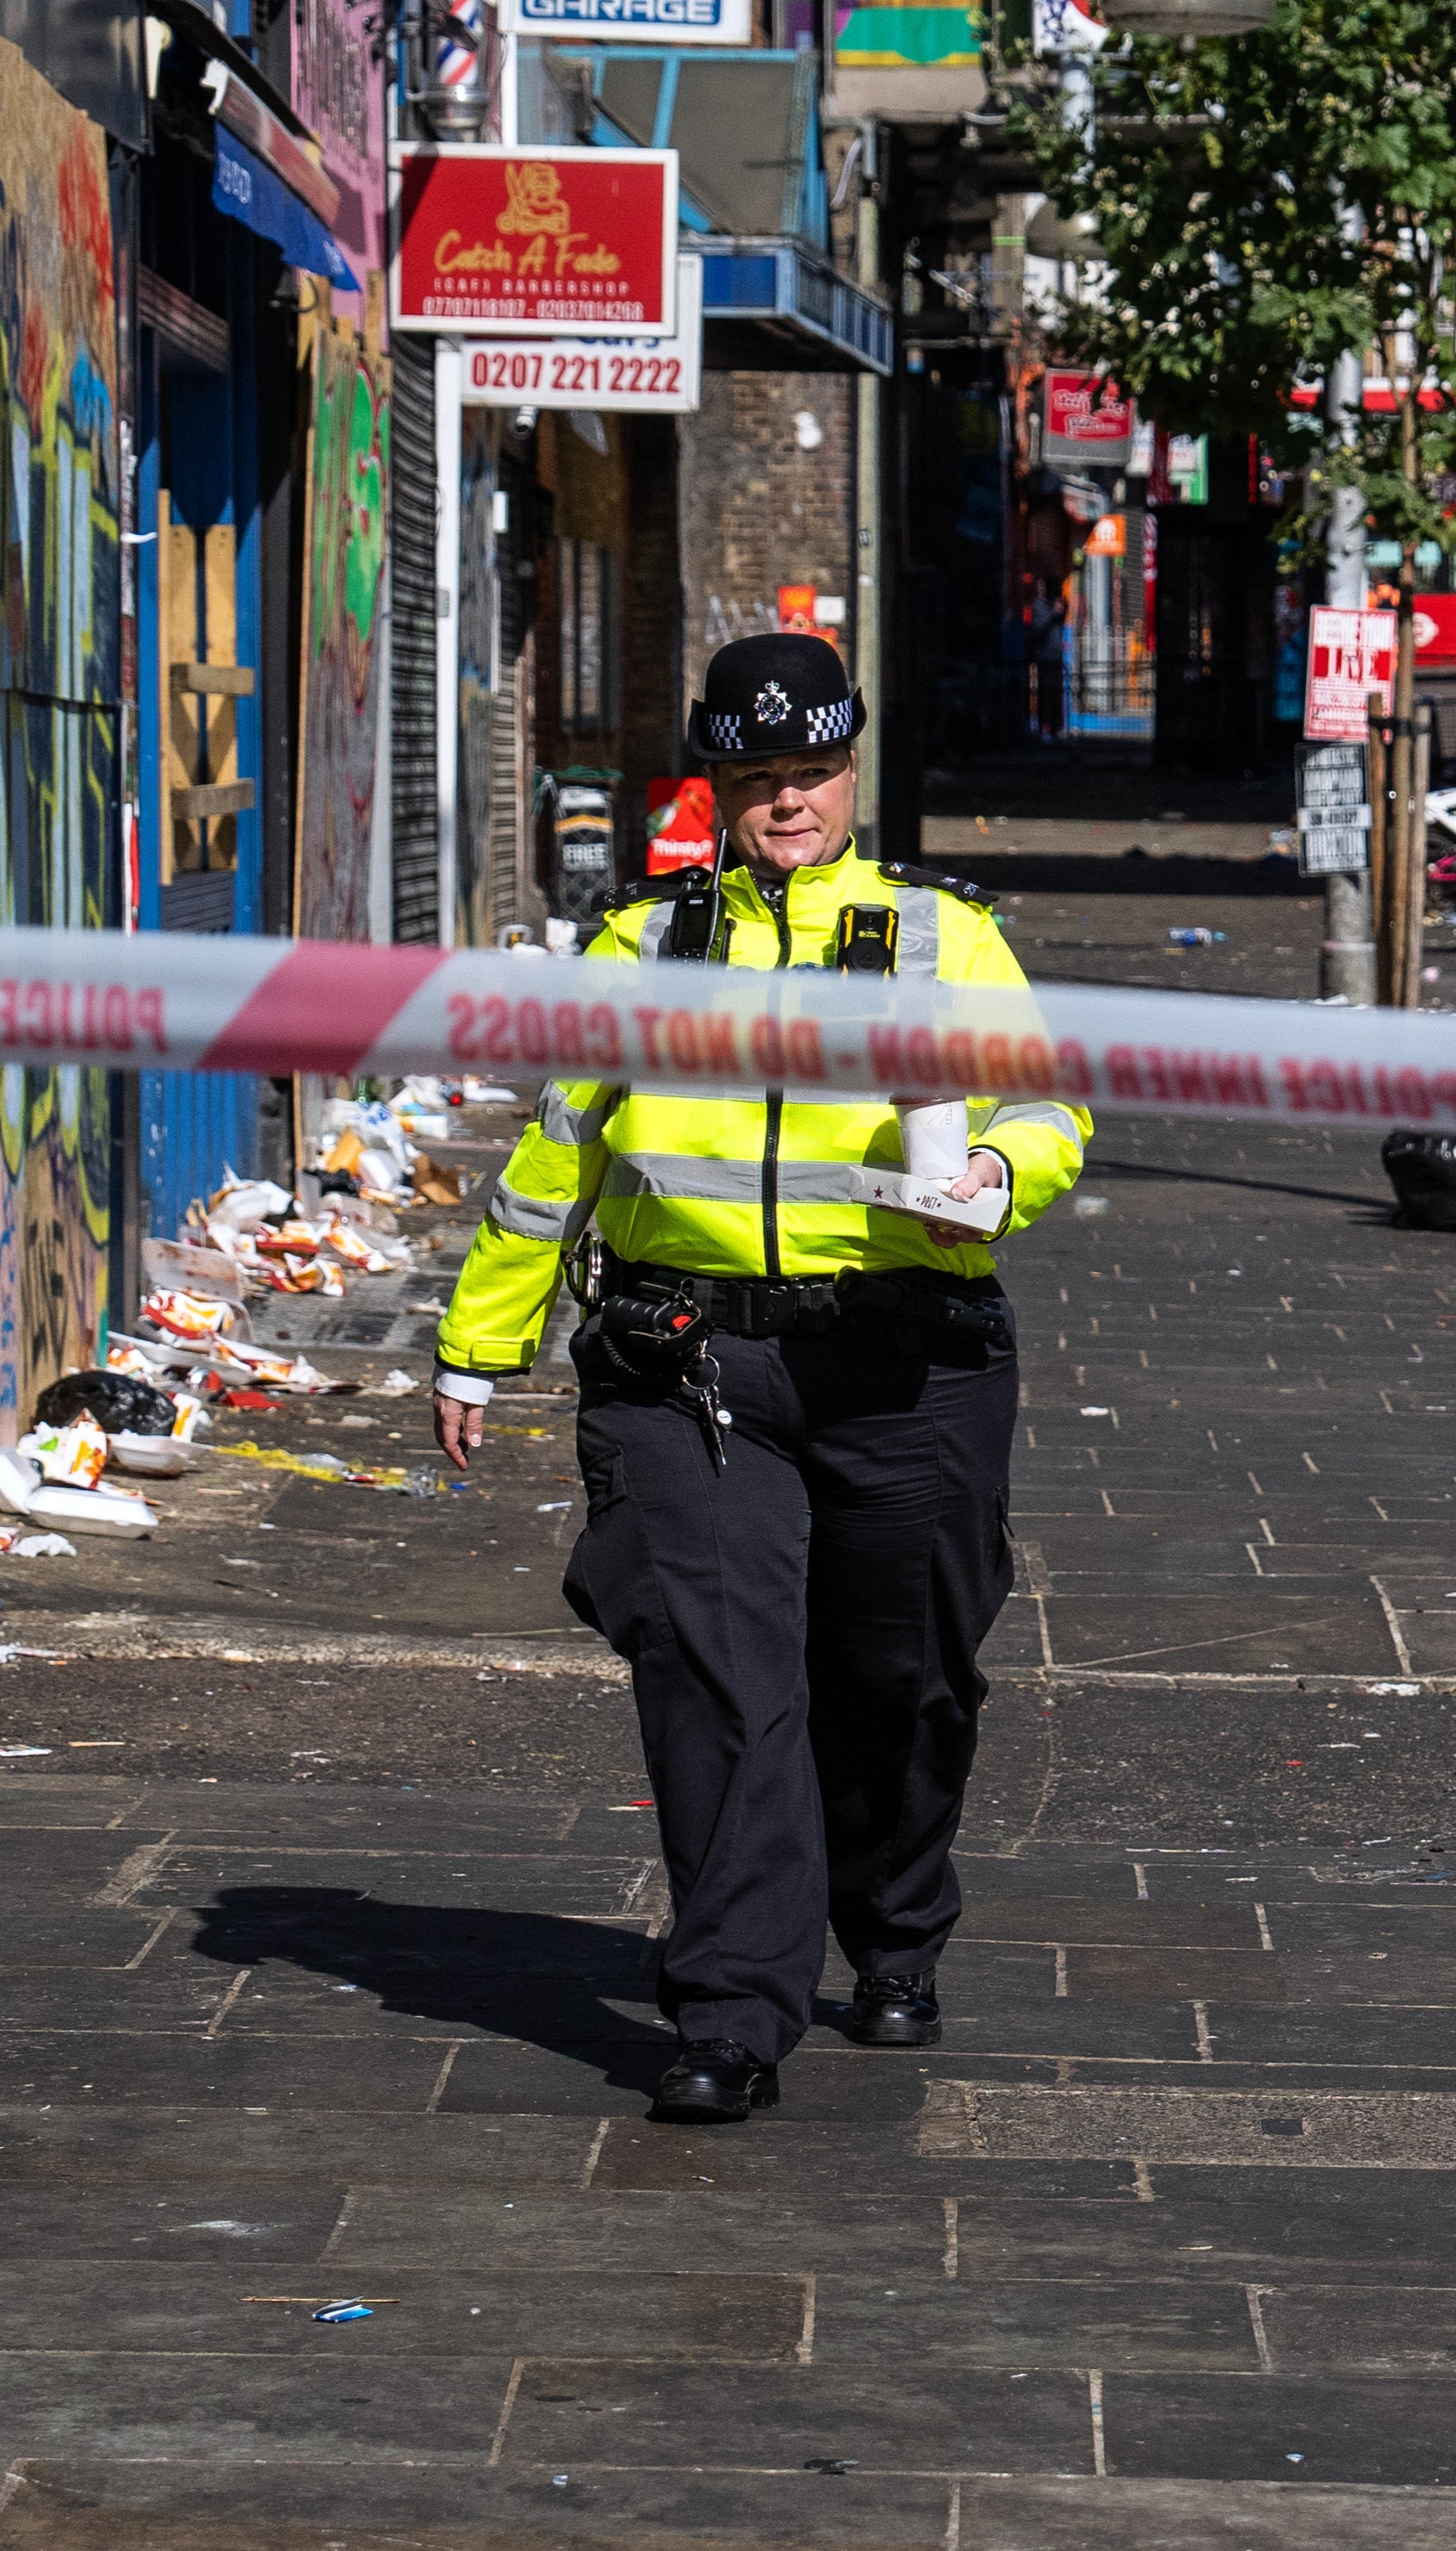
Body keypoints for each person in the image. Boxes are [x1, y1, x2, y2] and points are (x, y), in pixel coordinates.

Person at [434, 634, 1091, 2126]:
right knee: (718, 1687)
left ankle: (896, 1927)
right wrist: (480, 1341)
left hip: (903, 1359)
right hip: (687, 1358)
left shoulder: (942, 936)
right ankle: (730, 2007)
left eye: (807, 773)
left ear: (851, 768)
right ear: (714, 786)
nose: (784, 801)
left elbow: (1046, 1104)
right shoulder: (637, 948)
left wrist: (995, 1164)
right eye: (753, 777)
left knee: (899, 1680)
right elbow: (552, 1165)